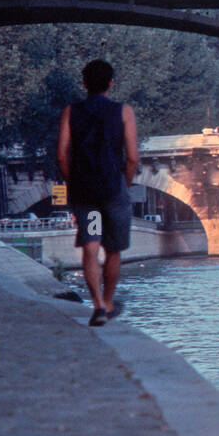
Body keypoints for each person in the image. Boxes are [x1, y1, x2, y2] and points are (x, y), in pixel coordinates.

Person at [57, 59, 138, 327]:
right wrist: (123, 184)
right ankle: (110, 300)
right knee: (113, 250)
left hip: (85, 191)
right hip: (112, 189)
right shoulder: (123, 112)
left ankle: (98, 306)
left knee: (90, 247)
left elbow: (61, 155)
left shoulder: (71, 112)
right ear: (111, 83)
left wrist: (73, 182)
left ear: (84, 84)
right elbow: (133, 158)